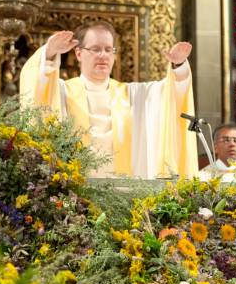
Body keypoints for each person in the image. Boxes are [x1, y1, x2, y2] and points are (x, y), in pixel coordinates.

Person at [19, 21, 197, 179]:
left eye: (108, 49)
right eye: (95, 49)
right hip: (76, 192)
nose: (103, 55)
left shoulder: (132, 96)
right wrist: (49, 52)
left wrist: (179, 66)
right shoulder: (63, 92)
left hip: (123, 191)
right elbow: (38, 84)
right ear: (79, 53)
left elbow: (171, 94)